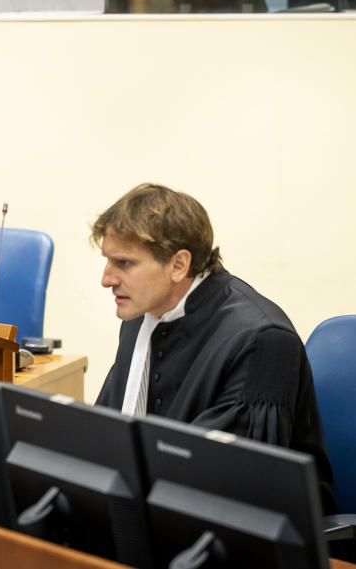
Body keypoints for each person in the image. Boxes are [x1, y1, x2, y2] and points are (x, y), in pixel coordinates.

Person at [92, 183, 335, 511]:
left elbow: (233, 485)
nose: (107, 279)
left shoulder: (262, 341)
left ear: (179, 265)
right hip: (159, 513)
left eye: (124, 263)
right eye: (108, 261)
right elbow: (106, 430)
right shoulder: (143, 314)